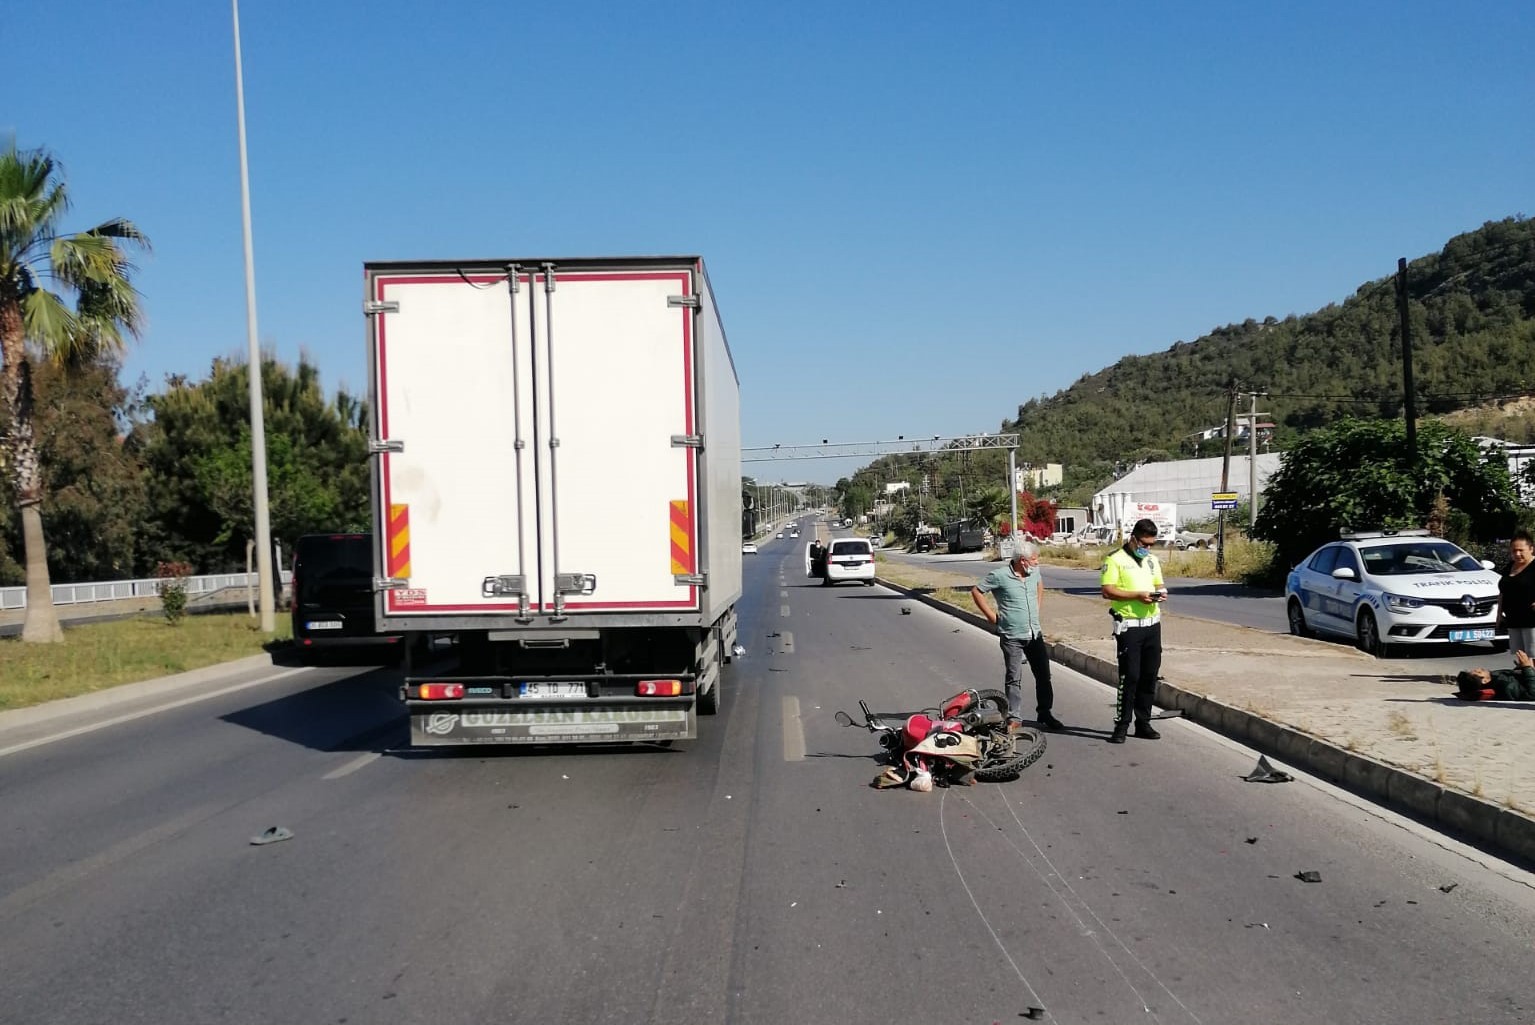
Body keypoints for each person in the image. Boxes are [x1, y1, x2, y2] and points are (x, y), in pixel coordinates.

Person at [969, 540, 1065, 733]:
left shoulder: (1034, 572)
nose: (1037, 563)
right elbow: (977, 591)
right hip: (1012, 635)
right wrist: (991, 616)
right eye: (1034, 559)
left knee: (1044, 675)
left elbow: (1039, 586)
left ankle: (1045, 712)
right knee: (1014, 678)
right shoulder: (999, 576)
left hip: (1034, 634)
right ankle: (1014, 716)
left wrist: (1036, 608)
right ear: (1022, 561)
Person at [1099, 518, 1167, 743]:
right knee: (1130, 677)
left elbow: (1157, 583)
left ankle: (1143, 722)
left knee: (1149, 675)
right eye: (1144, 544)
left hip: (1152, 625)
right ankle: (1121, 724)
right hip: (1129, 626)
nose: (1147, 549)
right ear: (1133, 538)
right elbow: (1107, 591)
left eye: (1151, 545)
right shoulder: (1114, 559)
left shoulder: (1151, 561)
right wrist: (1137, 595)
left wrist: (1161, 592)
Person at [1496, 529, 1535, 667]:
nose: (1517, 554)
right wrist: (1499, 614)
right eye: (1514, 551)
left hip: (1531, 619)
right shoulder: (1509, 567)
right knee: (1520, 655)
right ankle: (1525, 680)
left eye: (1520, 550)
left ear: (1531, 549)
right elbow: (1502, 591)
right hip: (1514, 618)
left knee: (1532, 655)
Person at [1455, 649, 1535, 700]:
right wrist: (1527, 667)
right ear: (1485, 681)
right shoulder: (1505, 686)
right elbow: (1531, 694)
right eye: (1478, 672)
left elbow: (1516, 678)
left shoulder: (1495, 677)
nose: (1479, 668)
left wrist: (1520, 668)